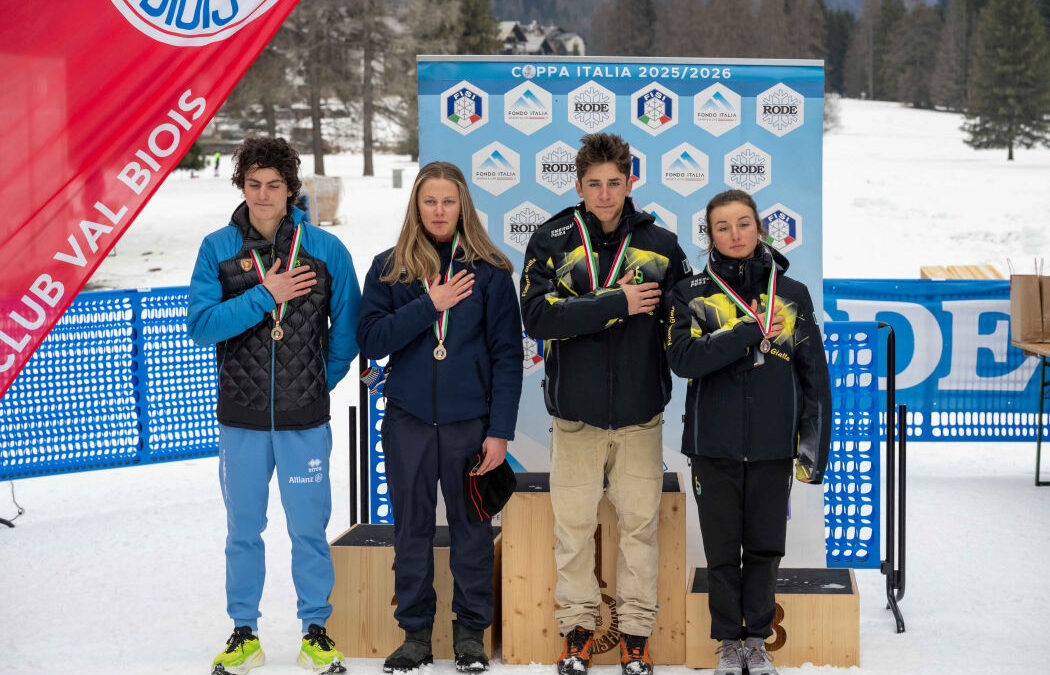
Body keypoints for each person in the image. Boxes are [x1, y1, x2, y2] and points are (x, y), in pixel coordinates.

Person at [519, 133, 691, 675]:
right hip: (575, 416)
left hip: (642, 416)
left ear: (630, 182)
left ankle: (636, 637)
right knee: (572, 531)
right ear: (578, 185)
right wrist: (615, 303)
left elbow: (679, 325)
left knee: (639, 530)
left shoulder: (662, 245)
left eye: (614, 182)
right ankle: (576, 633)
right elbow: (537, 318)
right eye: (593, 184)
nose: (604, 194)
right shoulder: (552, 238)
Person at [187, 137, 359, 675]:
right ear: (242, 186)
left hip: (304, 420)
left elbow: (347, 334)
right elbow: (201, 326)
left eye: (274, 186)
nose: (263, 196)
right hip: (240, 421)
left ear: (291, 191)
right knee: (243, 530)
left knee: (308, 530)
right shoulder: (216, 248)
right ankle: (244, 631)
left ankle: (316, 630)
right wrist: (267, 294)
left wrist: (315, 385)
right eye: (254, 184)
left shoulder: (327, 250)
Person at [357, 161, 523, 674]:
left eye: (449, 201)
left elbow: (507, 356)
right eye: (430, 201)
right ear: (416, 206)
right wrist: (429, 304)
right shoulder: (389, 268)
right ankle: (415, 635)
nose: (439, 210)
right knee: (410, 529)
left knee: (472, 530)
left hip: (469, 425)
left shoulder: (491, 272)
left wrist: (499, 433)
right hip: (407, 421)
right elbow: (372, 340)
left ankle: (471, 633)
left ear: (463, 206)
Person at [664, 189, 831, 675]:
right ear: (709, 236)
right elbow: (682, 360)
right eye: (723, 226)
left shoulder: (792, 294)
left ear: (759, 228)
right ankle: (726, 642)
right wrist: (746, 331)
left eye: (743, 223)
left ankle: (755, 638)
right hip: (712, 446)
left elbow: (813, 376)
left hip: (772, 448)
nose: (735, 234)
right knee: (720, 550)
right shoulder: (690, 294)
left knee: (764, 547)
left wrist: (811, 447)